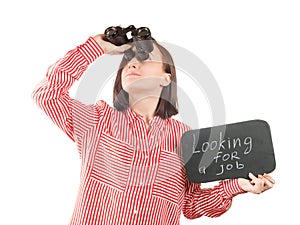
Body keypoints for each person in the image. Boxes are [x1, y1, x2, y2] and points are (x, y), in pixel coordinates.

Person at [32, 32, 275, 225]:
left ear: (166, 77)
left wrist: (237, 186)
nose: (132, 64)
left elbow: (190, 204)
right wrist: (96, 47)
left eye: (145, 58)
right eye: (128, 60)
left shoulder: (183, 137)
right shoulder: (98, 120)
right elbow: (46, 94)